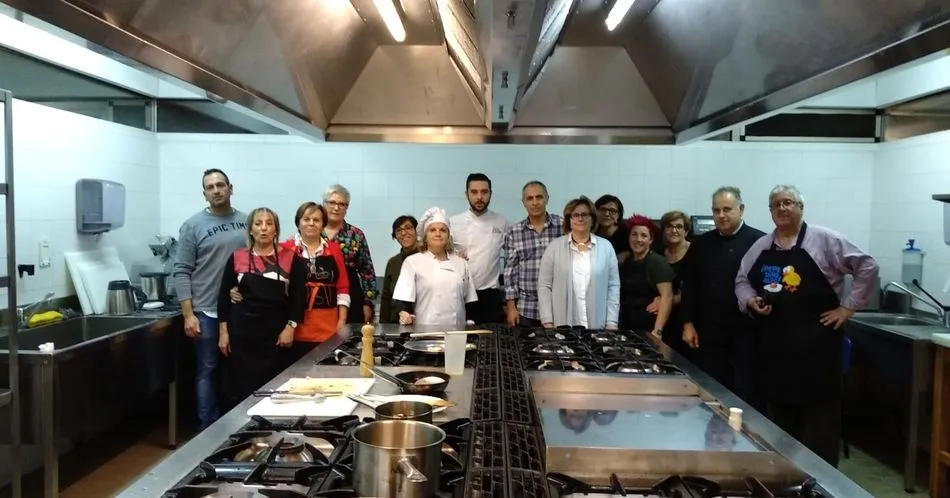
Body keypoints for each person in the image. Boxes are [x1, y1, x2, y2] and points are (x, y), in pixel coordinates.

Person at [735, 184, 879, 468]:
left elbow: (868, 266)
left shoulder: (825, 240)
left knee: (819, 427)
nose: (782, 208)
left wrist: (847, 307)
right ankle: (783, 477)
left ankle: (819, 484)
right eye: (776, 204)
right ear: (770, 212)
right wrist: (751, 301)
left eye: (788, 202)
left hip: (818, 351)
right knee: (780, 425)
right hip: (776, 351)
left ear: (801, 207)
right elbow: (741, 280)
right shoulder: (763, 246)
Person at [173, 168, 246, 430]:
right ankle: (208, 429)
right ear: (204, 194)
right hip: (205, 310)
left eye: (220, 185)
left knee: (236, 368)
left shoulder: (247, 222)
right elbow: (181, 270)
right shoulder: (193, 226)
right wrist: (188, 314)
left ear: (230, 188)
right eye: (210, 187)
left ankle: (235, 427)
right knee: (208, 369)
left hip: (237, 310)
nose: (216, 190)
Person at [680, 187, 765, 407]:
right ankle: (712, 436)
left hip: (746, 329)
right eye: (716, 210)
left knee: (744, 387)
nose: (721, 215)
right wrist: (688, 323)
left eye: (727, 209)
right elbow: (689, 285)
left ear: (741, 209)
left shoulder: (760, 241)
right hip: (709, 329)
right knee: (710, 387)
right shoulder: (701, 244)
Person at [217, 207, 307, 404]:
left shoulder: (291, 258)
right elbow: (224, 297)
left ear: (276, 230)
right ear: (250, 230)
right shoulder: (237, 257)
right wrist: (224, 333)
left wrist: (290, 327)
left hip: (275, 334)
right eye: (258, 224)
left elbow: (299, 298)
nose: (264, 228)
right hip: (243, 334)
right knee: (241, 389)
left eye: (269, 224)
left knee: (274, 390)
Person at [537, 196, 620, 330]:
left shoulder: (606, 247)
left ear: (593, 219)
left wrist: (611, 321)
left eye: (585, 214)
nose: (580, 219)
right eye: (575, 215)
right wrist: (547, 321)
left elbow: (613, 286)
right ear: (569, 220)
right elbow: (544, 286)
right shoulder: (554, 247)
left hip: (597, 324)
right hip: (562, 324)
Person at [393, 207, 478, 327]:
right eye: (432, 230)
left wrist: (470, 322)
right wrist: (403, 314)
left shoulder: (461, 263)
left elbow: (470, 301)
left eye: (443, 230)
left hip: (456, 332)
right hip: (424, 333)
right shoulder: (412, 262)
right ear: (425, 237)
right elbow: (402, 300)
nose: (438, 234)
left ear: (448, 236)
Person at [503, 181, 563, 328]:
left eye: (539, 197)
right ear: (523, 202)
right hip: (526, 310)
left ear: (547, 199)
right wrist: (511, 308)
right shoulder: (514, 232)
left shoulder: (563, 226)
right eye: (530, 198)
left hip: (558, 307)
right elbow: (510, 273)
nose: (535, 202)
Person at [450, 173, 509, 324]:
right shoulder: (453, 223)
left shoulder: (502, 223)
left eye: (484, 192)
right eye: (474, 192)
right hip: (459, 294)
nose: (479, 197)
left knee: (492, 342)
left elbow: (513, 259)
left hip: (490, 297)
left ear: (490, 194)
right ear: (466, 194)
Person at [322, 184, 378, 324]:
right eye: (332, 203)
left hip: (351, 294)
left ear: (347, 208)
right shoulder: (312, 231)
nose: (336, 208)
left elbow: (367, 271)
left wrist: (367, 303)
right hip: (319, 294)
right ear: (323, 205)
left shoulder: (355, 234)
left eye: (342, 204)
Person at [618, 215, 674, 337]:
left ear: (650, 240)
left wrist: (658, 331)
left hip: (650, 328)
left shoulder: (657, 262)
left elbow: (667, 296)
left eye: (644, 236)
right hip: (628, 327)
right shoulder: (626, 261)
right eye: (634, 234)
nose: (638, 239)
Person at [658, 211, 692, 353]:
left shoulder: (695, 252)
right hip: (663, 318)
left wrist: (668, 300)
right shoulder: (658, 253)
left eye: (679, 227)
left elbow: (695, 289)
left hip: (687, 318)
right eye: (669, 226)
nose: (674, 230)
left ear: (686, 231)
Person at [379, 215, 419, 323]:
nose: (404, 233)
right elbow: (386, 297)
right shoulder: (393, 263)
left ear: (417, 231)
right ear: (395, 237)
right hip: (396, 323)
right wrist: (383, 325)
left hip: (422, 320)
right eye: (399, 230)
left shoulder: (428, 258)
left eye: (408, 228)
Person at [594, 194, 630, 259]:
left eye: (612, 211)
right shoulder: (591, 232)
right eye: (603, 209)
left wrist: (627, 253)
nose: (607, 214)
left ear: (618, 215)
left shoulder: (626, 233)